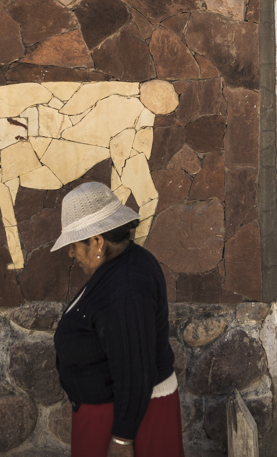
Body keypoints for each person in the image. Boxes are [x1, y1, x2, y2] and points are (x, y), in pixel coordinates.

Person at [51, 182, 185, 457]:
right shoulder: (120, 266)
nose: (71, 253)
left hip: (130, 419)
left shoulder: (127, 286)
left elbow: (135, 369)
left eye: (75, 244)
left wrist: (122, 440)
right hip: (109, 411)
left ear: (97, 242)